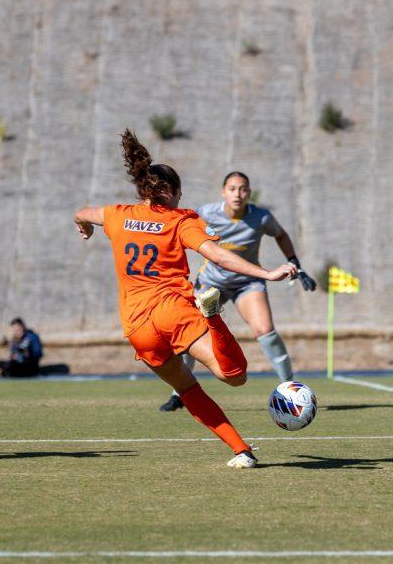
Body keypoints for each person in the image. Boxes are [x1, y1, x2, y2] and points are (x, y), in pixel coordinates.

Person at [74, 129, 297, 468]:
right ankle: (213, 315)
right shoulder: (181, 220)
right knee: (234, 375)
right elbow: (218, 257)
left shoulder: (116, 214)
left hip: (137, 327)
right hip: (173, 312)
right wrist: (266, 273)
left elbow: (82, 212)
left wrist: (85, 226)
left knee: (187, 389)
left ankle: (242, 452)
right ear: (174, 192)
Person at [159, 171, 317, 412]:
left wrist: (296, 261)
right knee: (190, 332)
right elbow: (176, 227)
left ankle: (290, 388)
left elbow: (281, 234)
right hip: (212, 282)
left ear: (248, 193)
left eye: (243, 189)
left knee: (265, 330)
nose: (238, 194)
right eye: (232, 189)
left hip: (248, 283)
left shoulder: (261, 217)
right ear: (223, 192)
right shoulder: (205, 213)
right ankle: (178, 393)